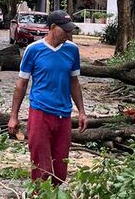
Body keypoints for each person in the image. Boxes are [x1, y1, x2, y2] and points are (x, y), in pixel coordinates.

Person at [7, 10, 88, 185]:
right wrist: (13, 116)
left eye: (70, 30)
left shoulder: (72, 51)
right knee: (41, 169)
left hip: (63, 115)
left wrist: (81, 111)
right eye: (64, 30)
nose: (68, 34)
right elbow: (21, 84)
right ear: (52, 27)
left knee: (60, 170)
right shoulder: (33, 50)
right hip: (40, 113)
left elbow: (74, 82)